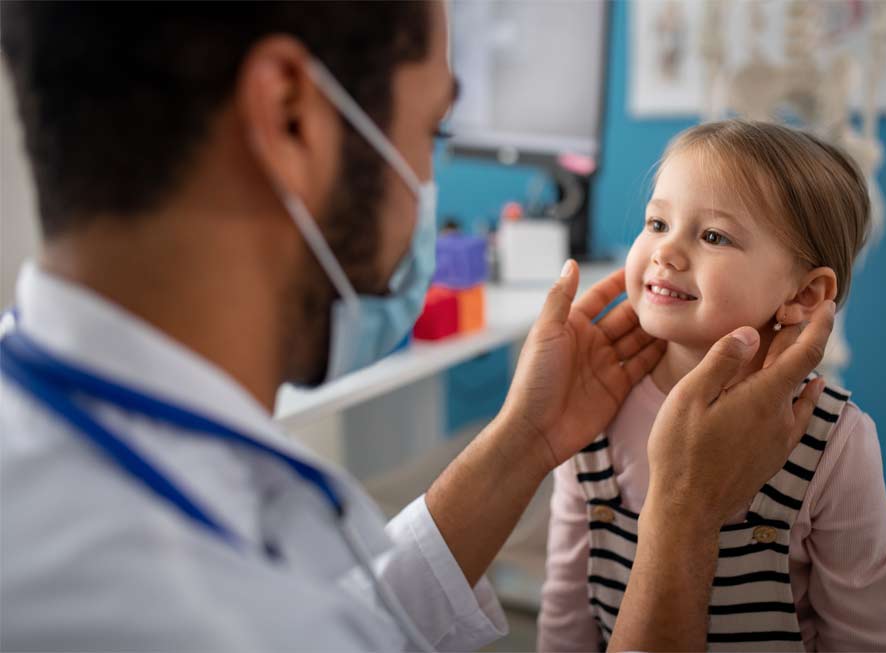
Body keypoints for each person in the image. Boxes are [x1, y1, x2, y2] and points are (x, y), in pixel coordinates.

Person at [0, 3, 834, 651]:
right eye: (431, 131)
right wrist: (685, 513)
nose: (428, 184)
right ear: (293, 117)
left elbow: (347, 622)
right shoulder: (174, 610)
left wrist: (527, 437)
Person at [539, 121, 886, 652]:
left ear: (804, 294)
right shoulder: (595, 406)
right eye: (658, 222)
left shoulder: (834, 443)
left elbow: (867, 638)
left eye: (712, 235)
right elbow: (565, 616)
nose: (666, 252)